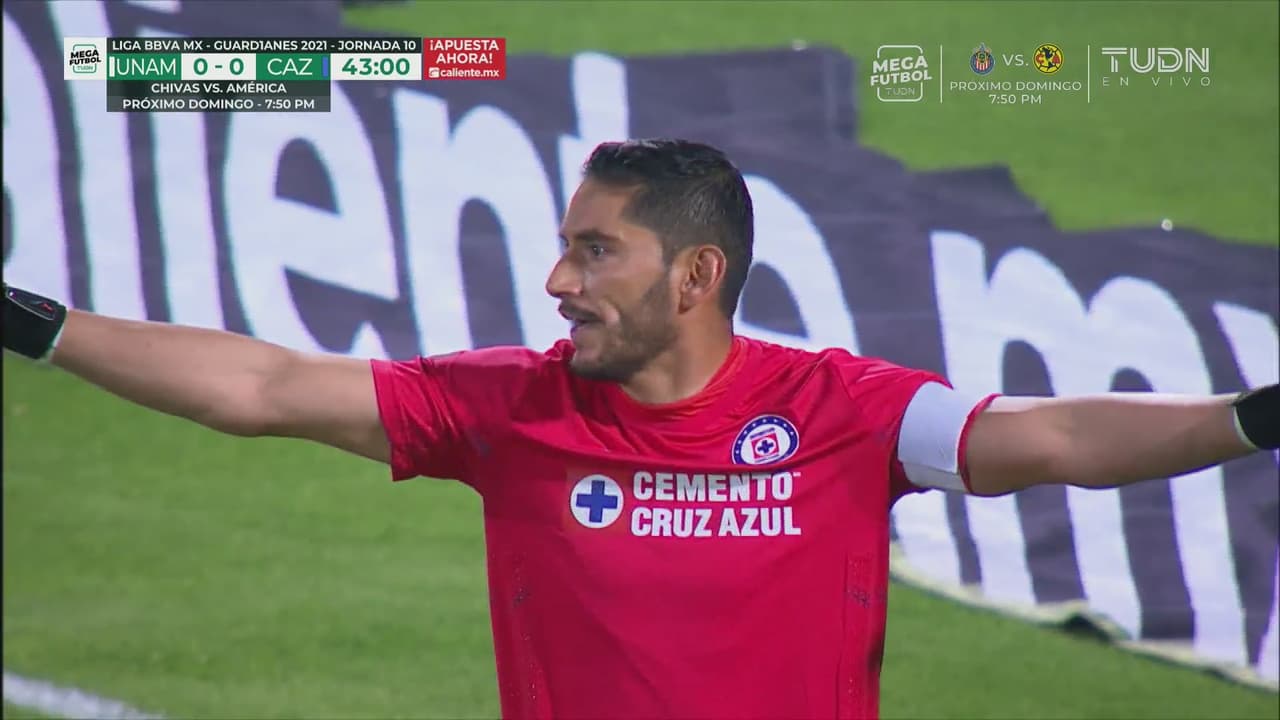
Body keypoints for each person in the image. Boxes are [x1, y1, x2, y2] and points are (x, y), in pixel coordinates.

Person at [4, 138, 1277, 720]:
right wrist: (35, 325)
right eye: (564, 247)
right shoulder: (507, 408)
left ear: (694, 276)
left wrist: (1252, 416)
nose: (557, 281)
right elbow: (264, 388)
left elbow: (1054, 439)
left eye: (593, 250)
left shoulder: (847, 412)